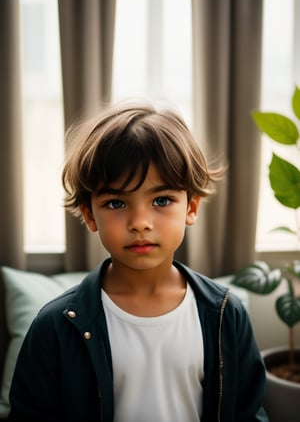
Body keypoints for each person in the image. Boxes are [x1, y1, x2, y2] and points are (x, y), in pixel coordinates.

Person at [8, 100, 268, 422]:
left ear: (191, 207)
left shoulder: (226, 316)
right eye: (117, 203)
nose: (140, 222)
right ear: (89, 214)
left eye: (161, 200)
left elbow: (249, 413)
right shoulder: (56, 326)